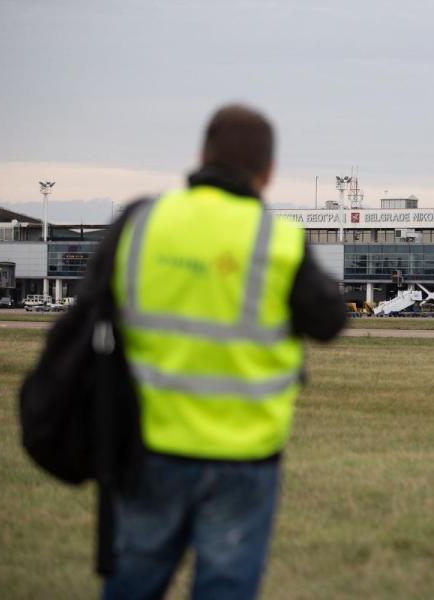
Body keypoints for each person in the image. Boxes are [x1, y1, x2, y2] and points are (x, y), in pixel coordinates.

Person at [102, 104, 346, 598]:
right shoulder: (277, 238)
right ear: (269, 171)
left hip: (149, 446)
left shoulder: (141, 222)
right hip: (243, 455)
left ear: (202, 154)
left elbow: (91, 313)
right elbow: (330, 320)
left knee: (131, 583)